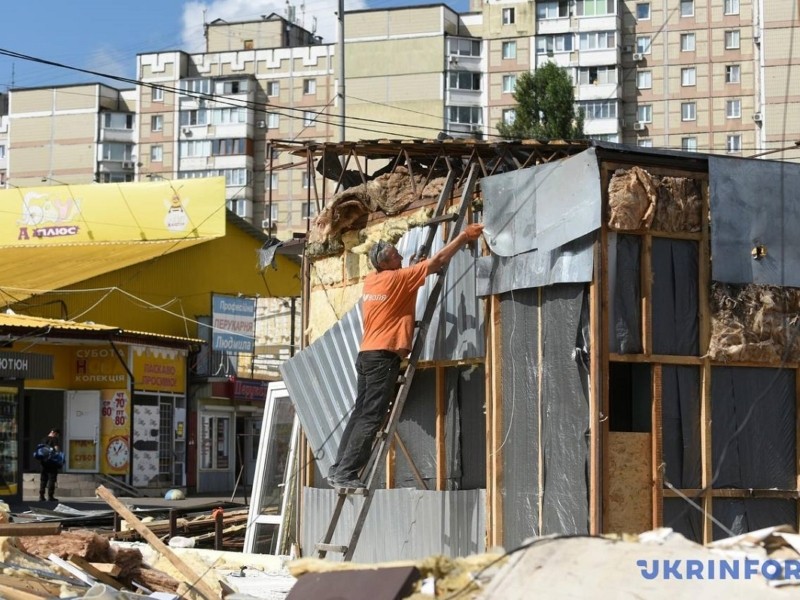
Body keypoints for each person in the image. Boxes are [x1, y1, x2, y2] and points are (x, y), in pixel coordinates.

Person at [328, 222, 484, 489]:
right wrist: (463, 237)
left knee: (360, 413)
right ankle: (347, 474)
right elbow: (438, 262)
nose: (401, 257)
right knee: (372, 417)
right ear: (386, 262)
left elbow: (406, 279)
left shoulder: (373, 281)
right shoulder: (398, 278)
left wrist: (411, 266)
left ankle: (337, 469)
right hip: (383, 356)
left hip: (366, 354)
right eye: (396, 256)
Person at [38, 428, 61, 502]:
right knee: (51, 479)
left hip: (43, 462)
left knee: (43, 479)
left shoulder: (43, 439)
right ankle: (50, 496)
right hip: (52, 462)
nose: (57, 436)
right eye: (57, 435)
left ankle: (41, 496)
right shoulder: (54, 439)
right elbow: (56, 449)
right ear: (54, 433)